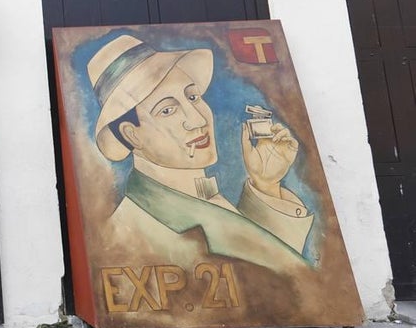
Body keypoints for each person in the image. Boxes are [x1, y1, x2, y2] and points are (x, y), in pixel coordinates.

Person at [87, 34, 315, 274]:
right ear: (132, 135)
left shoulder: (198, 198)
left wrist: (267, 186)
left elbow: (274, 270)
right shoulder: (127, 237)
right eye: (167, 110)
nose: (198, 119)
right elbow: (281, 278)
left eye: (193, 97)